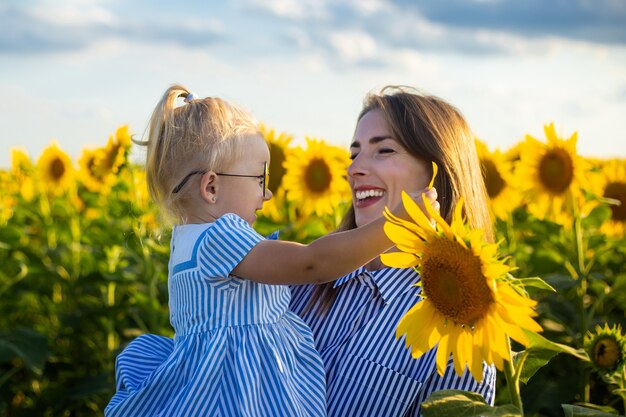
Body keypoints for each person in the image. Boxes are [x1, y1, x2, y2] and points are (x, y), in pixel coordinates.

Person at [105, 84, 438, 417]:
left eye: (384, 150)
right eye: (258, 179)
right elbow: (312, 263)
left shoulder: (188, 239)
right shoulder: (221, 237)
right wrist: (399, 223)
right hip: (235, 396)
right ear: (211, 187)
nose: (267, 195)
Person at [290, 85, 497, 417]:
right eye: (353, 153)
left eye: (383, 150)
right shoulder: (300, 278)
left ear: (439, 170)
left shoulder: (459, 333)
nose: (354, 169)